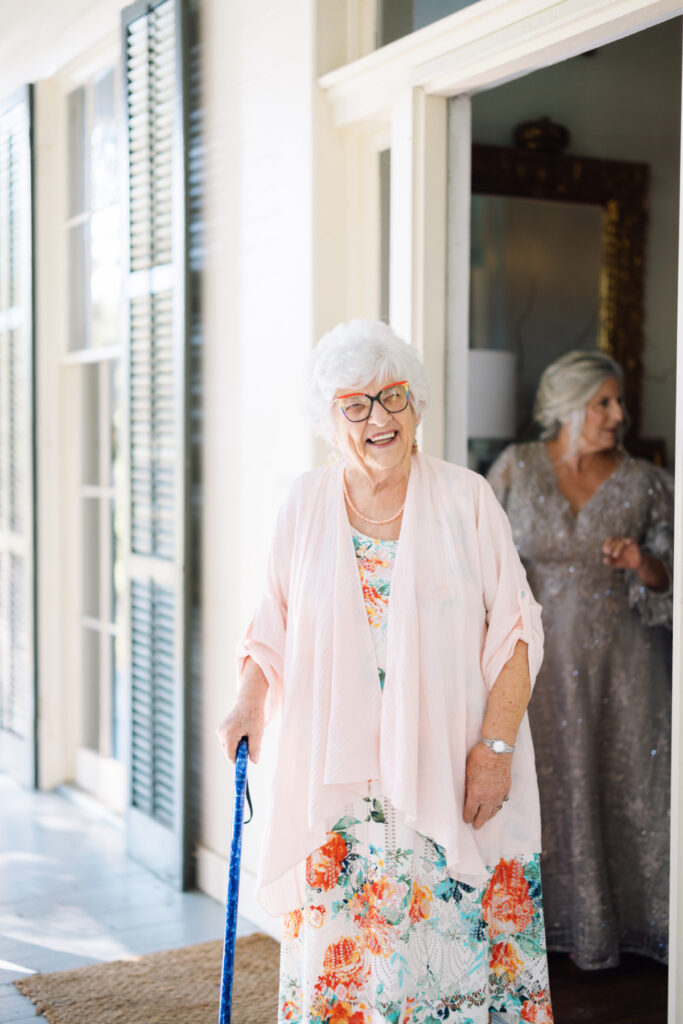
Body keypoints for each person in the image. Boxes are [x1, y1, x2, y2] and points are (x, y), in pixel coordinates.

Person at [218, 319, 554, 1024]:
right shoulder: (301, 503)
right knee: (349, 977)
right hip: (339, 789)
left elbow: (517, 633)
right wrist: (249, 702)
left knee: (446, 972)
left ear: (417, 405)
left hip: (449, 778)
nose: (379, 418)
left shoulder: (466, 500)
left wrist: (494, 751)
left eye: (393, 397)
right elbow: (269, 623)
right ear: (329, 419)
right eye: (356, 404)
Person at [487, 349, 673, 972]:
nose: (619, 414)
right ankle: (532, 928)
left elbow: (670, 575)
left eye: (619, 401)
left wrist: (638, 565)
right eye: (604, 402)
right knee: (541, 788)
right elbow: (476, 562)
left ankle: (627, 928)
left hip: (623, 668)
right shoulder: (514, 469)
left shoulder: (646, 482)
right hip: (533, 669)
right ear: (569, 405)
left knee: (623, 787)